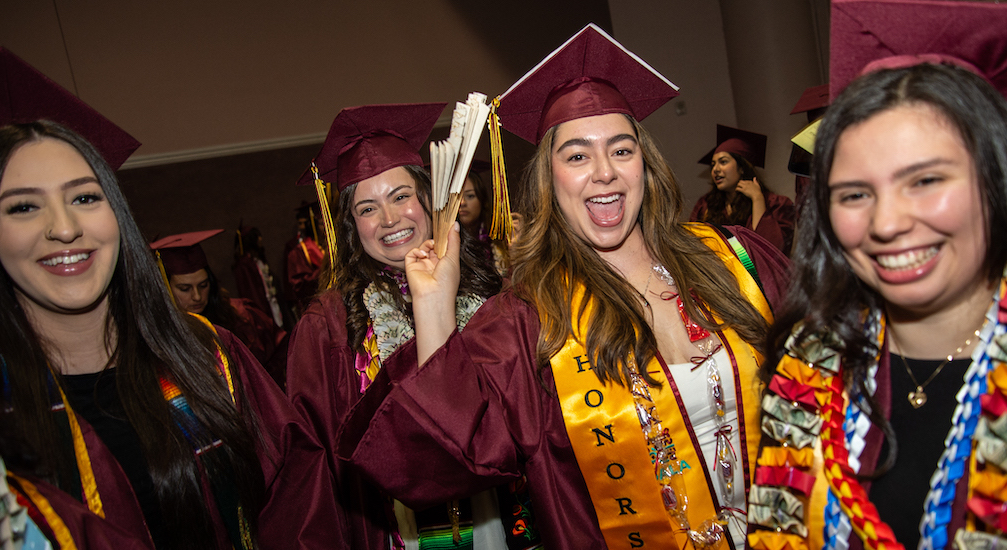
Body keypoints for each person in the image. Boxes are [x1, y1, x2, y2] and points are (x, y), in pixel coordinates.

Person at [338, 24, 790, 549]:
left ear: (645, 164)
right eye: (577, 156)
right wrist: (435, 305)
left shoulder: (733, 258)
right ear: (549, 179)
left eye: (621, 150)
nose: (604, 173)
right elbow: (442, 462)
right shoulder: (526, 320)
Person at [748, 2, 1007, 550]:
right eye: (855, 194)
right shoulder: (807, 374)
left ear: (999, 183)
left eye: (925, 180)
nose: (887, 224)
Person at [0, 48, 344, 549]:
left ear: (116, 213)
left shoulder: (206, 354)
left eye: (84, 197)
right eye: (24, 207)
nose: (65, 227)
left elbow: (298, 497)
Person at [284, 102, 539, 549]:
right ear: (351, 226)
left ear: (429, 199)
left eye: (401, 196)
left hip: (502, 516)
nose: (389, 220)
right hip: (393, 530)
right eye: (367, 208)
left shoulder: (492, 294)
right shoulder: (328, 326)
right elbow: (313, 465)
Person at [151, 230, 287, 374]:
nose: (197, 296)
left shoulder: (242, 316)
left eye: (203, 285)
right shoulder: (158, 336)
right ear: (165, 289)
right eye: (185, 289)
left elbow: (281, 348)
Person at [690, 125, 795, 254]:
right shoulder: (705, 205)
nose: (715, 169)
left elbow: (771, 250)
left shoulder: (776, 204)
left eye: (723, 162)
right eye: (713, 165)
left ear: (742, 168)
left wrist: (757, 199)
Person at [456, 161, 511, 276]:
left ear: (482, 200)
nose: (462, 203)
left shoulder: (501, 240)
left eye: (470, 196)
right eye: (456, 197)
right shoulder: (442, 244)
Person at [232, 224, 284, 328]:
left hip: (272, 304)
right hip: (262, 307)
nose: (260, 239)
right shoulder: (244, 265)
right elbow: (251, 291)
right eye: (257, 236)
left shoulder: (258, 260)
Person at [284, 201, 326, 319]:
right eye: (321, 224)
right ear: (312, 225)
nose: (326, 227)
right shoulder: (299, 252)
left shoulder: (330, 244)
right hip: (318, 310)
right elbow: (300, 286)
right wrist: (325, 268)